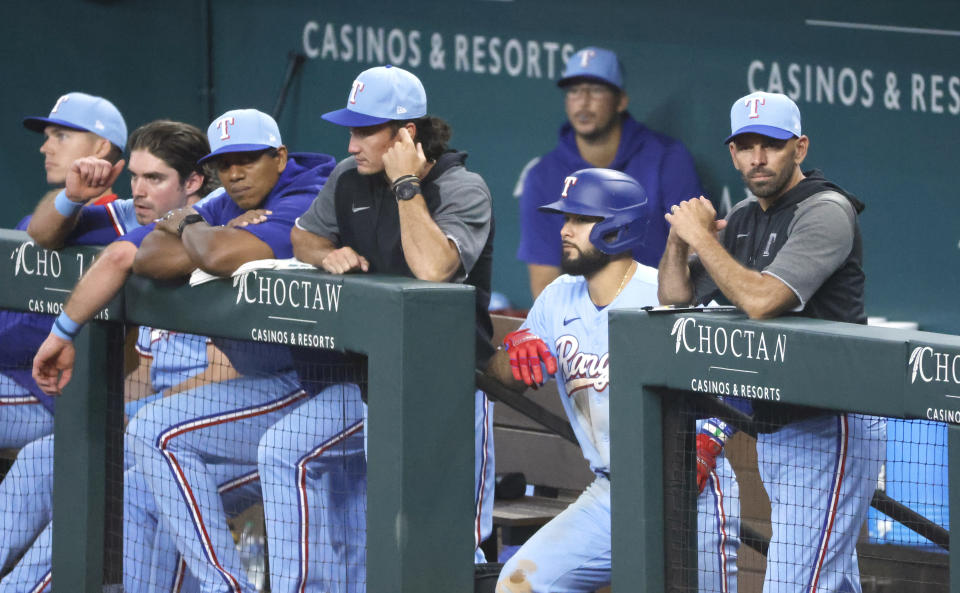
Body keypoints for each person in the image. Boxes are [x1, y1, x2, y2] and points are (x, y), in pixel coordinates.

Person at [658, 90, 885, 593]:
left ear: (799, 148)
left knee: (795, 584)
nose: (758, 158)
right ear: (733, 153)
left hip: (832, 423)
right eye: (746, 145)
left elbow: (763, 301)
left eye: (773, 145)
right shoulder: (743, 216)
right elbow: (674, 300)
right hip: (777, 426)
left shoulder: (825, 210)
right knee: (826, 579)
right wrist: (678, 242)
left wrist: (702, 240)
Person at [288, 63, 496, 584]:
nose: (352, 143)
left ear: (406, 134)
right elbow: (302, 238)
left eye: (365, 131)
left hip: (445, 395)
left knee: (446, 547)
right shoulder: (347, 175)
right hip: (365, 386)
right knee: (345, 511)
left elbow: (433, 269)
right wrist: (328, 254)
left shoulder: (463, 189)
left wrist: (405, 182)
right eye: (351, 130)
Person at [489, 168, 738, 593]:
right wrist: (516, 348)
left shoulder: (662, 293)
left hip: (687, 488)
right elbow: (500, 378)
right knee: (518, 585)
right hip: (611, 491)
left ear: (616, 228)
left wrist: (711, 434)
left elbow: (729, 383)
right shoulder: (556, 298)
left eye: (580, 220)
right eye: (565, 218)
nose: (565, 230)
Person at [125, 108, 336, 593]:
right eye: (224, 164)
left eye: (247, 160)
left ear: (279, 157)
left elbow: (218, 255)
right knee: (143, 480)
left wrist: (190, 222)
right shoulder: (224, 204)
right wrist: (207, 226)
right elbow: (146, 256)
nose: (234, 175)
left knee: (155, 433)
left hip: (312, 383)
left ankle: (225, 586)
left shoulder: (307, 195)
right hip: (261, 385)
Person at [8, 120, 224, 593]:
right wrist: (73, 196)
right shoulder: (134, 215)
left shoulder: (219, 230)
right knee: (42, 458)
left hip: (214, 426)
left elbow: (221, 374)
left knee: (119, 486)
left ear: (193, 182)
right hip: (155, 419)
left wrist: (135, 419)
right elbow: (44, 234)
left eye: (156, 179)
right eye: (136, 177)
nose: (140, 191)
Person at [515, 46, 703, 299]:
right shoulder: (543, 175)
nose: (583, 101)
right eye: (574, 91)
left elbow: (694, 245)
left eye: (596, 90)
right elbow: (545, 283)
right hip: (582, 314)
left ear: (621, 100)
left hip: (659, 306)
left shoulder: (666, 158)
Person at [24, 91, 128, 245]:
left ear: (101, 148)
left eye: (61, 136)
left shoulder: (126, 225)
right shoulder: (30, 224)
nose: (45, 148)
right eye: (47, 137)